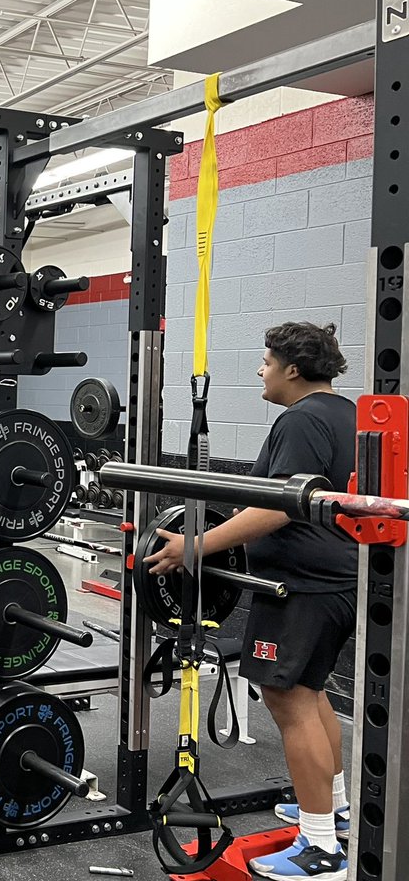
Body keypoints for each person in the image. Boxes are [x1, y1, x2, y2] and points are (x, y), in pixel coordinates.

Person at [145, 322, 355, 881]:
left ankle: (321, 848)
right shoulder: (344, 413)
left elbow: (279, 506)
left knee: (288, 701)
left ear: (292, 368)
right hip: (332, 581)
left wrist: (196, 547)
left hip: (303, 586)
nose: (260, 370)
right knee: (310, 696)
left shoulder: (304, 419)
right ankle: (335, 810)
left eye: (266, 361)